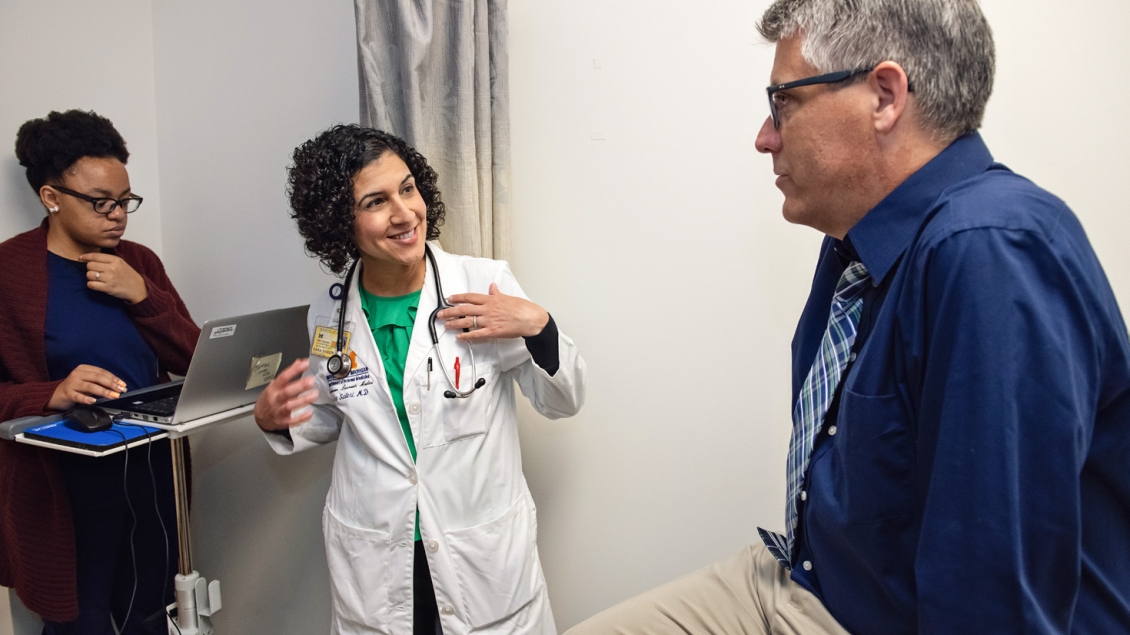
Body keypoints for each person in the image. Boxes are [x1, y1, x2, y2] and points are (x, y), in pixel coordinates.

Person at [566, 0, 1130, 634]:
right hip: (809, 579)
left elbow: (990, 603)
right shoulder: (856, 241)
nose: (764, 136)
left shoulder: (989, 249)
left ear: (885, 96)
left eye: (783, 102)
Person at [254, 124, 586, 635]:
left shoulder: (482, 284)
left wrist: (540, 327)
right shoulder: (330, 313)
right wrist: (276, 420)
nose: (405, 213)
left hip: (478, 555)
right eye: (376, 201)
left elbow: (561, 401)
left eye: (408, 188)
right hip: (379, 554)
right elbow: (336, 415)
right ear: (341, 223)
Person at [0, 110, 199, 633]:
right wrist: (53, 392)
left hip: (153, 471)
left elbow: (194, 361)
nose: (118, 215)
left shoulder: (140, 263)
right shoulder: (9, 273)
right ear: (51, 197)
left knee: (155, 614)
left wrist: (142, 295)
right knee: (78, 622)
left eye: (125, 200)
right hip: (63, 487)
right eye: (100, 202)